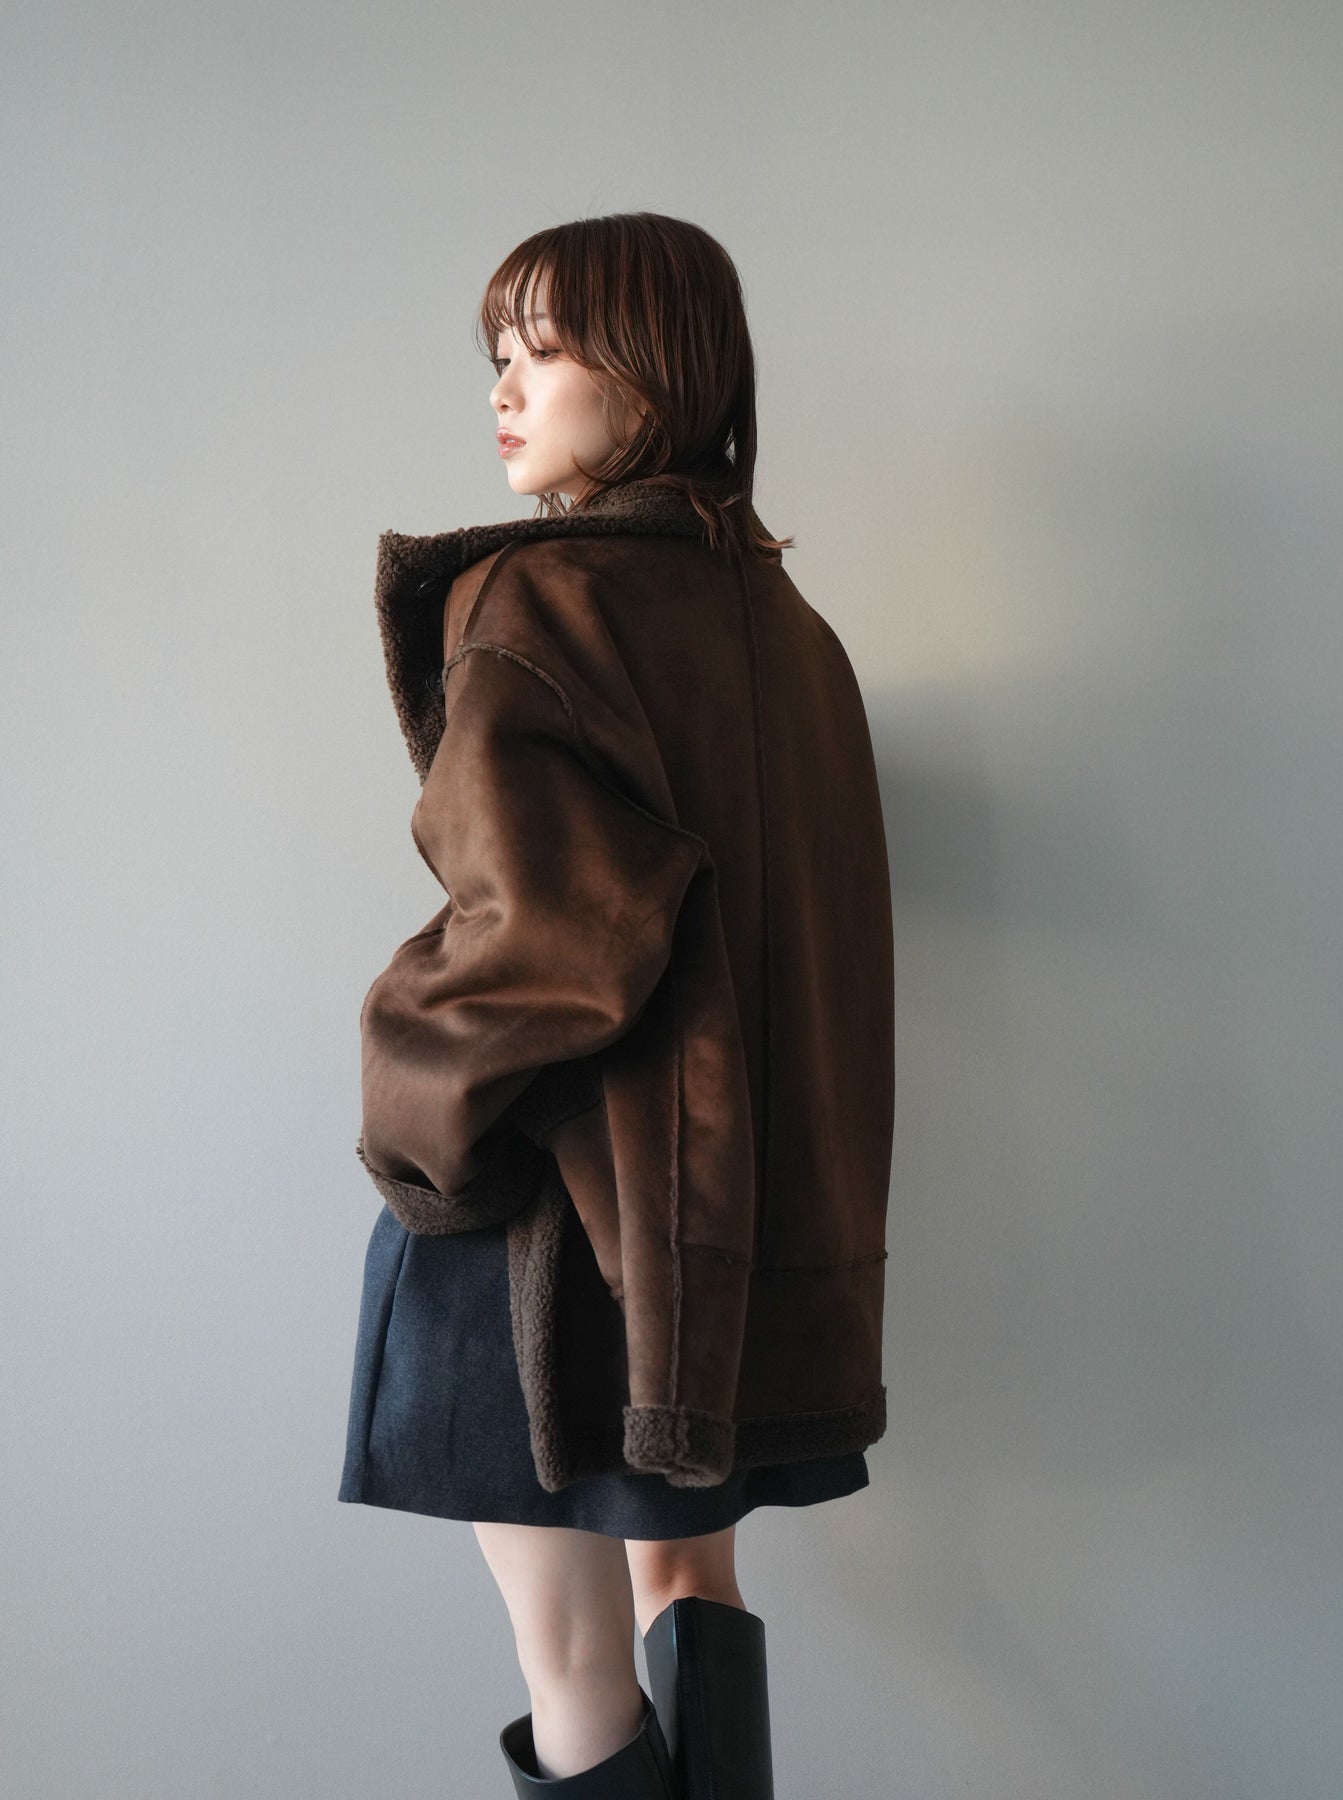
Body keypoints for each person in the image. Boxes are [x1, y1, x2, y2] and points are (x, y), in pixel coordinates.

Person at [339, 212, 895, 1796]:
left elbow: (540, 940)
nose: (504, 389)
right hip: (731, 1239)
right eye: (497, 356)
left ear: (655, 370)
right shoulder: (796, 636)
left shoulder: (542, 596)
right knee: (691, 1586)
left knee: (568, 1658)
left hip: (553, 1215)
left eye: (546, 349)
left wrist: (409, 1108)